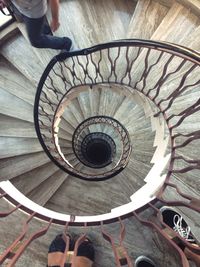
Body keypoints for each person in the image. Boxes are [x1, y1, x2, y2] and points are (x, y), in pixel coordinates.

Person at [0, 0, 72, 51]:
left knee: (36, 41)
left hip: (34, 13)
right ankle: (46, 31)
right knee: (40, 26)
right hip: (22, 8)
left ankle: (66, 43)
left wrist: (55, 19)